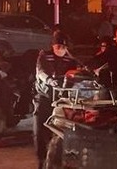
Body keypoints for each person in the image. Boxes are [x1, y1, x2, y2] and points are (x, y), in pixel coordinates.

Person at [33, 30, 80, 167]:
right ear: (53, 46)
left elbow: (74, 75)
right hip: (45, 96)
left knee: (64, 129)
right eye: (58, 47)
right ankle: (41, 159)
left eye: (64, 47)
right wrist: (49, 80)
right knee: (41, 128)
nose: (61, 50)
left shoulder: (70, 59)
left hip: (62, 99)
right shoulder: (44, 56)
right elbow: (40, 72)